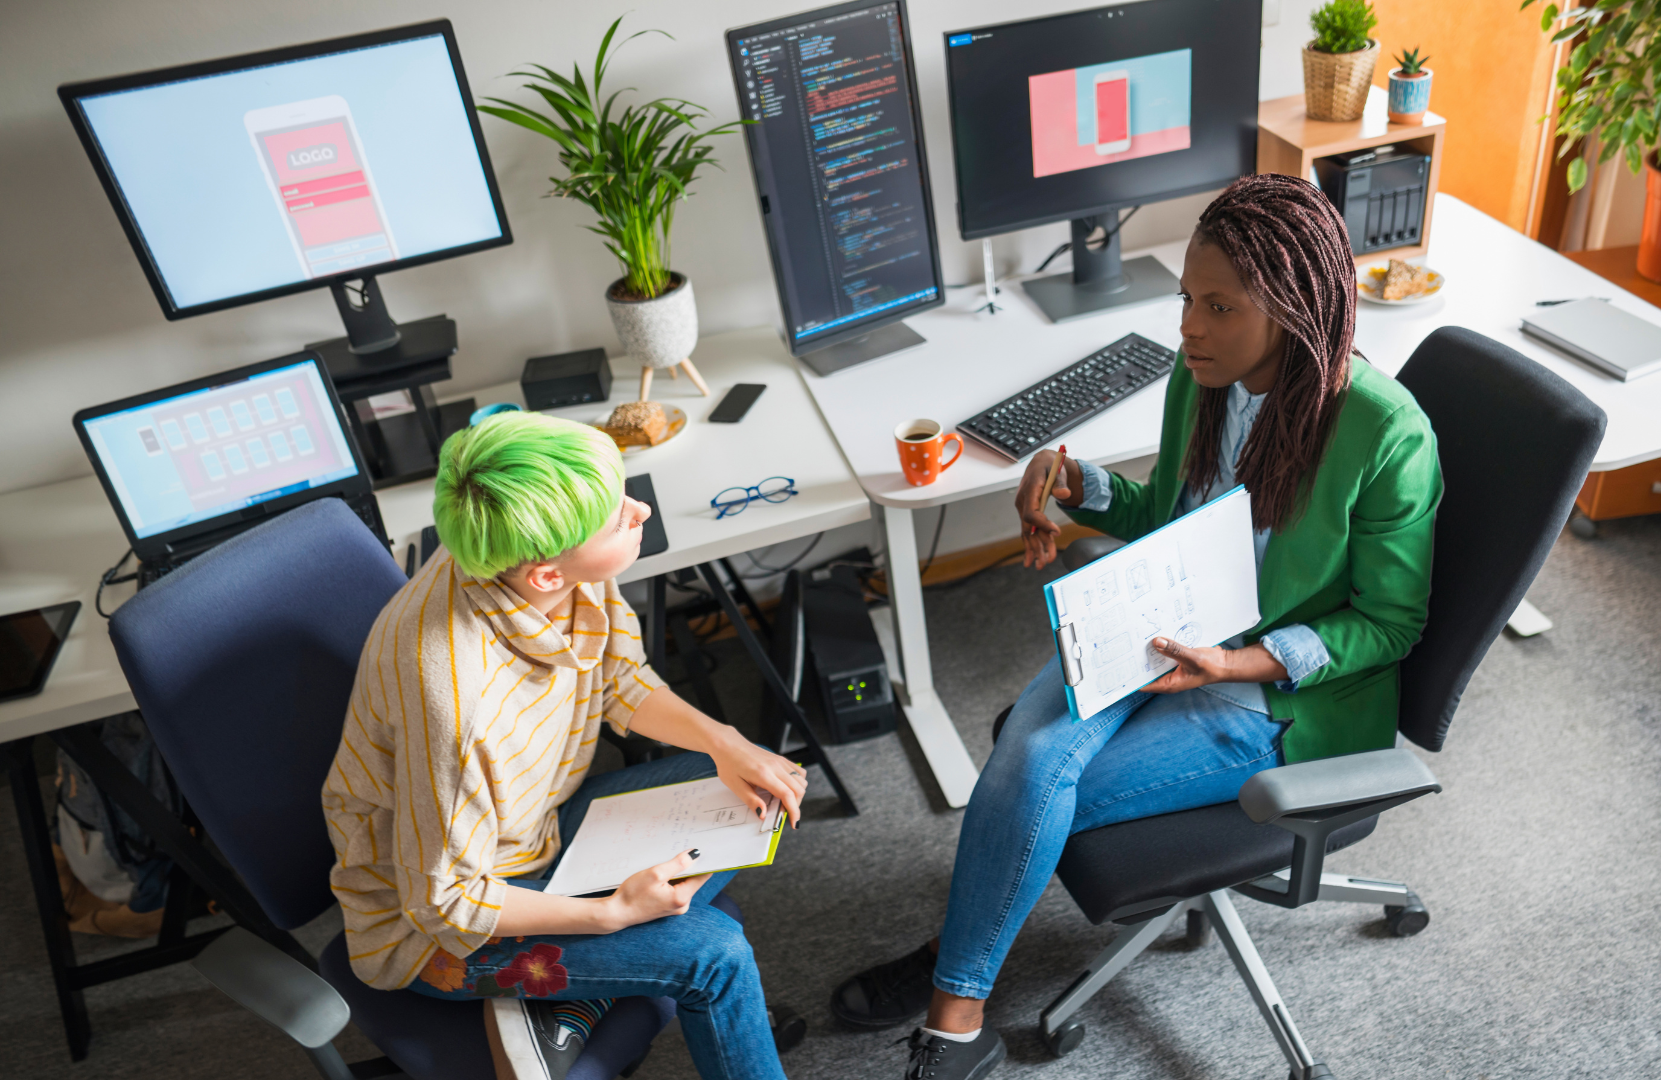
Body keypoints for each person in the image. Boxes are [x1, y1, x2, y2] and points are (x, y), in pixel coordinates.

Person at [831, 174, 1443, 1079]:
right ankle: (960, 998)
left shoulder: (1388, 437)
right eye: (1186, 300)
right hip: (1163, 629)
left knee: (1033, 777)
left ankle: (950, 1004)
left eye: (1219, 306)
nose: (1188, 327)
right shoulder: (1204, 378)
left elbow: (1390, 626)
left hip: (1273, 700)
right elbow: (1174, 515)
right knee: (1030, 762)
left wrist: (1234, 664)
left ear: (1294, 307)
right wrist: (1083, 489)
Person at [322, 410, 807, 1080]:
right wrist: (609, 916)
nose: (638, 509)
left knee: (746, 786)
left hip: (539, 830)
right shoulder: (455, 702)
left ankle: (561, 1002)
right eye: (617, 518)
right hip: (438, 927)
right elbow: (446, 902)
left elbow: (616, 678)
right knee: (715, 956)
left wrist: (727, 742)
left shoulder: (530, 547)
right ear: (547, 576)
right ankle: (564, 978)